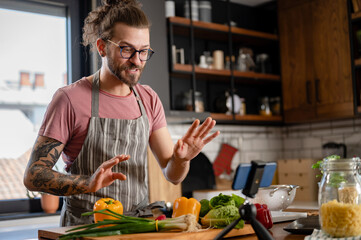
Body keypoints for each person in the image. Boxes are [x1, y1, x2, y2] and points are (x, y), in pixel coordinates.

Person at [23, 0, 219, 226]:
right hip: (86, 230)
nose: (137, 60)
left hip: (137, 228)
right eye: (126, 49)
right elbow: (34, 175)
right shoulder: (69, 99)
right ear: (102, 47)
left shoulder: (148, 99)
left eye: (144, 51)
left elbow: (172, 174)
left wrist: (181, 160)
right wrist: (88, 183)